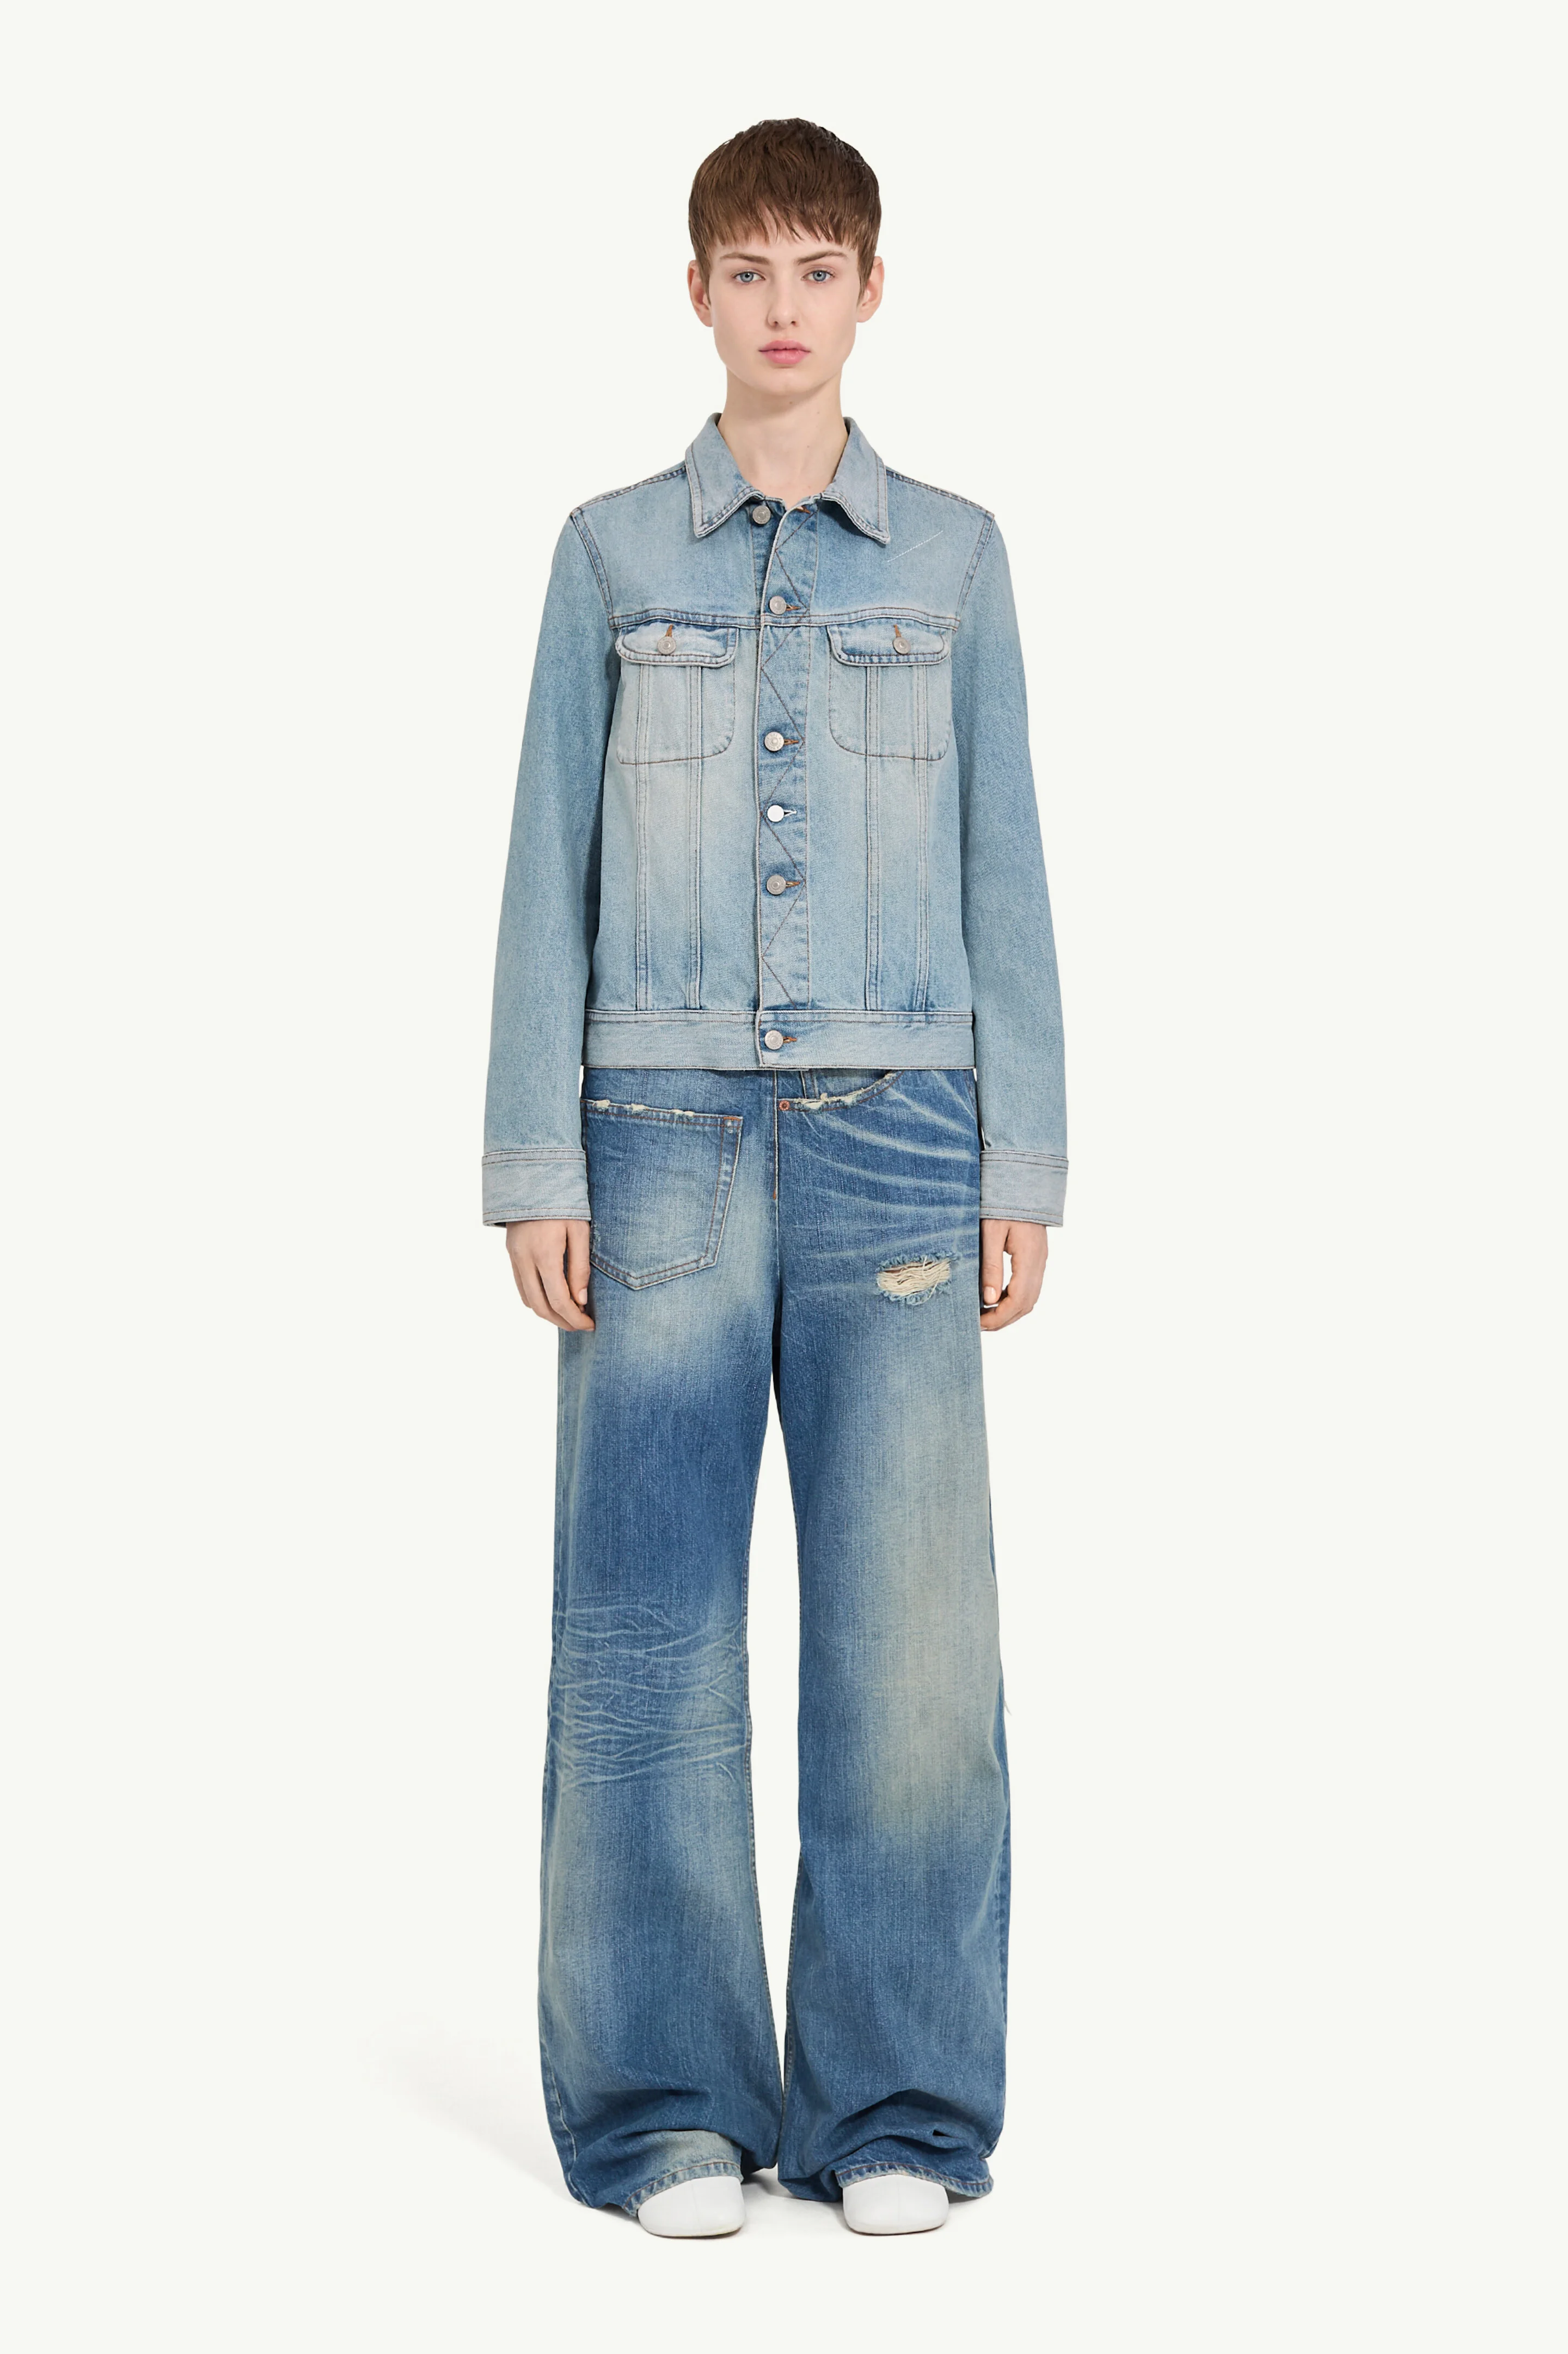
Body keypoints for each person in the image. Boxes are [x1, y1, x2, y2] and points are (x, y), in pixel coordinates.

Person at [482, 118, 1067, 2238]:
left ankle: (898, 2105)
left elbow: (1006, 863)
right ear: (699, 294)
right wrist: (533, 1155)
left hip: (904, 1137)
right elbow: (546, 861)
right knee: (644, 1633)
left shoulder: (956, 561)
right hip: (653, 1145)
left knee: (912, 1644)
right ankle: (662, 2105)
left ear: (873, 290)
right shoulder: (608, 556)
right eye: (749, 269)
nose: (784, 305)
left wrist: (1024, 1155)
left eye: (819, 268)